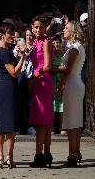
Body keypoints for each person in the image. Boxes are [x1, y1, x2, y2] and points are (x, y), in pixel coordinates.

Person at [0, 22, 26, 169]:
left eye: (14, 33)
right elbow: (14, 72)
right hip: (7, 87)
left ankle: (0, 157)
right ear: (2, 35)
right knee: (9, 125)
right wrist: (22, 57)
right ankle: (9, 158)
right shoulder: (4, 52)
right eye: (10, 34)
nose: (13, 36)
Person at [57, 21, 85, 166]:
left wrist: (59, 86)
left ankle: (73, 154)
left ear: (73, 31)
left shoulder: (75, 48)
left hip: (72, 84)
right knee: (75, 122)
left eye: (66, 28)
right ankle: (76, 152)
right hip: (76, 83)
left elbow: (67, 70)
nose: (63, 30)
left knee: (71, 122)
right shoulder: (76, 47)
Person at [29, 16, 54, 168]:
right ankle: (46, 155)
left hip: (43, 82)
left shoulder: (46, 41)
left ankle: (40, 156)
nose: (38, 30)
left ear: (45, 28)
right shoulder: (34, 42)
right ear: (32, 28)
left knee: (41, 122)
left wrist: (33, 77)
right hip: (38, 82)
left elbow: (48, 65)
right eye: (36, 27)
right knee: (44, 122)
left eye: (41, 27)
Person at [50, 34, 65, 135]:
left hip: (62, 83)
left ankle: (62, 128)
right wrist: (60, 68)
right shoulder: (51, 55)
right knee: (52, 106)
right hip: (52, 83)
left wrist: (56, 68)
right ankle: (51, 128)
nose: (56, 45)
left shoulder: (65, 55)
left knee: (62, 107)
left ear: (61, 43)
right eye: (54, 43)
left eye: (57, 43)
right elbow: (50, 68)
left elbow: (67, 68)